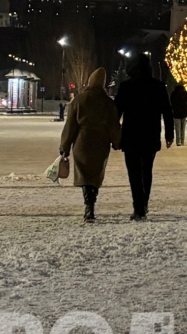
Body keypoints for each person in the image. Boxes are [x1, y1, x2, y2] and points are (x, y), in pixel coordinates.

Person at [114, 60, 174, 221]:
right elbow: (167, 112)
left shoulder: (126, 87)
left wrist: (113, 135)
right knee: (147, 170)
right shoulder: (158, 86)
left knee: (134, 173)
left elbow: (116, 112)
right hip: (150, 135)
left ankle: (138, 207)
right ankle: (144, 203)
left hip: (131, 136)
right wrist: (169, 134)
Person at [60, 68, 121, 223]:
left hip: (82, 141)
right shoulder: (108, 103)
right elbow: (113, 125)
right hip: (101, 142)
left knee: (84, 174)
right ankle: (91, 203)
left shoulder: (79, 100)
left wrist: (65, 146)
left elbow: (70, 126)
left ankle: (88, 206)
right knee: (95, 174)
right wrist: (117, 141)